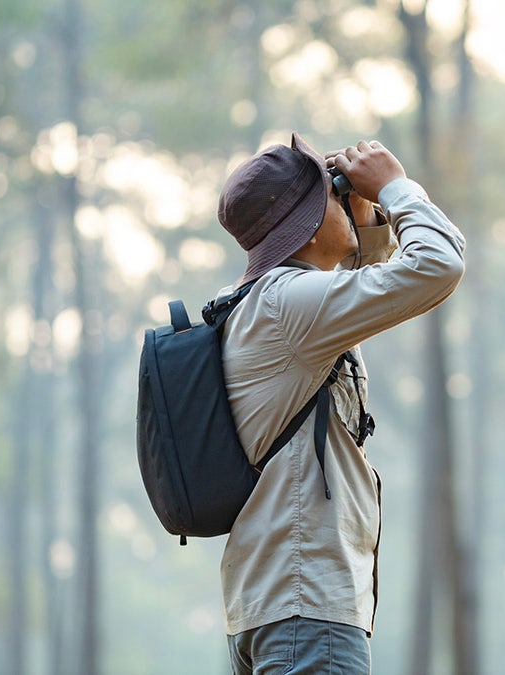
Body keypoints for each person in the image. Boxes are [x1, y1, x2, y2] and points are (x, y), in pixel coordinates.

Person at [213, 132, 465, 674]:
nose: (341, 198)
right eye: (331, 195)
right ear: (300, 224)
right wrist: (397, 189)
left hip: (277, 603)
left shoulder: (271, 303)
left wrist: (362, 216)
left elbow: (363, 285)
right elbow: (437, 265)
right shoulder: (289, 305)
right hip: (307, 613)